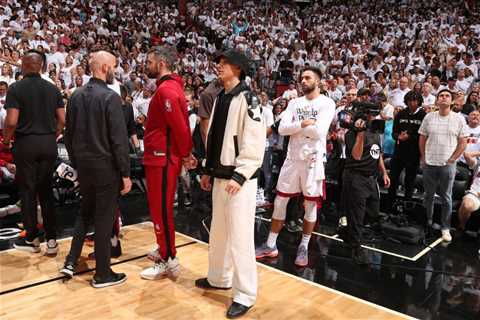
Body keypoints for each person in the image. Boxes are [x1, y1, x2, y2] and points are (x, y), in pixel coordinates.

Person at [195, 49, 265, 319]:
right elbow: (215, 139)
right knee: (219, 233)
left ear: (239, 69)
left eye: (225, 63)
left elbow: (255, 140)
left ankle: (245, 293)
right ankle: (219, 278)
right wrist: (208, 170)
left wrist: (241, 173)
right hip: (220, 175)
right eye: (219, 62)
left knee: (240, 238)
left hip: (240, 180)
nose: (219, 66)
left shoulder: (250, 98)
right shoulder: (221, 96)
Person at [61, 51, 132, 288]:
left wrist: (77, 163)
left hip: (84, 166)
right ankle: (102, 274)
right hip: (105, 168)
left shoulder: (75, 96)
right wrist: (125, 173)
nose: (116, 70)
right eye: (113, 65)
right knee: (104, 219)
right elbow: (118, 140)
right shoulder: (110, 98)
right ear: (103, 67)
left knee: (85, 212)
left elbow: (68, 137)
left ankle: (72, 259)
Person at [255, 67, 335, 267]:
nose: (303, 80)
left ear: (318, 81)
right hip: (292, 158)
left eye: (308, 78)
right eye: (302, 78)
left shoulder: (327, 103)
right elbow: (281, 129)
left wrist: (297, 127)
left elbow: (320, 131)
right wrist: (303, 124)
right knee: (280, 200)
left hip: (313, 160)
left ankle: (304, 246)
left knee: (309, 205)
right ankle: (271, 245)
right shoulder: (294, 102)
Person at [139, 45, 194, 280]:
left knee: (161, 210)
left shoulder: (167, 91)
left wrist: (185, 154)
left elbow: (180, 127)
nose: (146, 66)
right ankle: (164, 248)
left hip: (163, 159)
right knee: (157, 209)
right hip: (159, 156)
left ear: (162, 63)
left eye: (149, 62)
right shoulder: (166, 89)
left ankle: (169, 259)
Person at [4, 50, 65, 254]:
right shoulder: (53, 89)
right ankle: (52, 241)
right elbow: (63, 120)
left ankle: (31, 238)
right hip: (48, 142)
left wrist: (5, 141)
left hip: (26, 143)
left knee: (28, 191)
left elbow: (11, 121)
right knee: (46, 191)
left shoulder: (16, 88)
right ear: (41, 66)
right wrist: (52, 134)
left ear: (23, 65)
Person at [340, 103, 391, 264]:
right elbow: (356, 155)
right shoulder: (351, 134)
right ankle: (356, 247)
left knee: (373, 212)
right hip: (355, 177)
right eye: (371, 115)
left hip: (371, 178)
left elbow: (378, 153)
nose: (374, 118)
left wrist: (383, 172)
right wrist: (360, 134)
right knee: (357, 215)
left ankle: (347, 231)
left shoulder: (375, 132)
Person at [419, 89, 467, 242]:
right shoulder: (428, 117)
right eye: (441, 95)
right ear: (437, 100)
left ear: (452, 101)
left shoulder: (459, 119)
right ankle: (428, 222)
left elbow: (463, 142)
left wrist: (453, 159)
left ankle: (445, 227)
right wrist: (423, 157)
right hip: (429, 163)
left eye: (447, 96)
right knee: (428, 196)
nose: (444, 98)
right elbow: (422, 139)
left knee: (446, 197)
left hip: (448, 165)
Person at [387, 91, 426, 211]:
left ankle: (406, 208)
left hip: (414, 153)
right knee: (393, 179)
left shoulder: (423, 115)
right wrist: (398, 137)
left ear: (419, 102)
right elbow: (394, 132)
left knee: (409, 182)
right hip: (399, 152)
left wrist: (409, 137)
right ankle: (390, 206)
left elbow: (423, 136)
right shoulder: (401, 114)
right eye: (409, 100)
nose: (412, 103)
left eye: (414, 100)